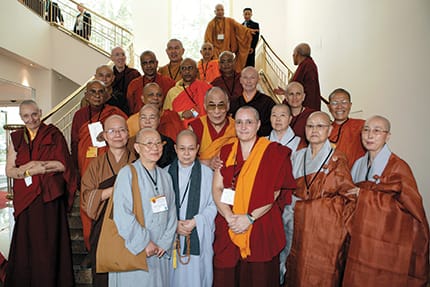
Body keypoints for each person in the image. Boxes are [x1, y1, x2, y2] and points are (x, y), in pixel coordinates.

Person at [212, 106, 296, 287]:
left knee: (258, 277)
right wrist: (229, 217)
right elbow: (217, 188)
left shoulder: (273, 152)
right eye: (239, 122)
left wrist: (249, 218)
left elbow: (274, 192)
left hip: (260, 223)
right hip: (229, 223)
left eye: (249, 122)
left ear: (258, 125)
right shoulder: (226, 151)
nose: (243, 127)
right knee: (226, 275)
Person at [344, 116, 429, 286]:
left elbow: (410, 208)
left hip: (385, 240)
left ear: (387, 136)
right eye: (366, 130)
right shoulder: (358, 164)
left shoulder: (398, 167)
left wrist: (365, 196)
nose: (369, 135)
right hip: (360, 236)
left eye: (377, 131)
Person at [5, 100, 77, 287]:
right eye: (26, 116)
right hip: (26, 200)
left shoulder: (53, 134)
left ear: (41, 112)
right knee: (26, 246)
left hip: (48, 198)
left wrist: (40, 167)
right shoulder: (16, 138)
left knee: (48, 245)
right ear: (21, 117)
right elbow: (9, 170)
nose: (31, 119)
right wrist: (26, 172)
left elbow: (64, 165)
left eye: (34, 114)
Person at [286, 111, 356, 287]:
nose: (314, 130)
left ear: (330, 130)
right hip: (294, 221)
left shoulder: (337, 159)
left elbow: (346, 196)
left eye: (320, 126)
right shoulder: (298, 155)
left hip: (323, 228)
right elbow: (288, 189)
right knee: (295, 266)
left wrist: (310, 208)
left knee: (319, 271)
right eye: (310, 126)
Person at [109, 128, 177, 286]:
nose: (155, 147)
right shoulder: (128, 173)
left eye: (158, 143)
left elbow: (172, 212)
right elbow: (122, 213)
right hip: (136, 249)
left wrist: (165, 242)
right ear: (137, 148)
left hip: (159, 250)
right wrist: (145, 242)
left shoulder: (165, 176)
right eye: (149, 144)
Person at [71, 80, 127, 252]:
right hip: (88, 167)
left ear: (107, 95)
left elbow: (124, 137)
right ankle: (92, 248)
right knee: (89, 210)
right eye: (93, 92)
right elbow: (75, 143)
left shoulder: (115, 113)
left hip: (110, 167)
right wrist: (77, 172)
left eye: (100, 92)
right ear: (86, 95)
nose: (97, 95)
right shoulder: (80, 115)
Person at [81, 115, 137, 287]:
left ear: (128, 134)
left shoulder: (138, 162)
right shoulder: (96, 164)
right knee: (105, 275)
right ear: (104, 136)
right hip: (104, 227)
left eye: (121, 130)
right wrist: (112, 191)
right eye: (112, 131)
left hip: (133, 227)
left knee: (132, 273)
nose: (117, 135)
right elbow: (86, 197)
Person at [167, 130, 217, 287]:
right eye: (182, 149)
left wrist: (196, 221)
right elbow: (156, 207)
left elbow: (214, 204)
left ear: (197, 148)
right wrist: (174, 224)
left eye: (191, 148)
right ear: (175, 149)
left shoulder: (208, 174)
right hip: (171, 237)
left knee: (196, 278)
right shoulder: (164, 173)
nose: (186, 153)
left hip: (197, 234)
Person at [189, 87, 236, 170]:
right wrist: (208, 163)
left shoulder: (237, 128)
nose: (217, 111)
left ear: (228, 106)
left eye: (221, 105)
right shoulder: (195, 128)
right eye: (211, 106)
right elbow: (184, 159)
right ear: (205, 107)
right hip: (202, 177)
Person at [163, 58, 212, 127]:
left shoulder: (207, 88)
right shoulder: (172, 92)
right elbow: (166, 115)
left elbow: (215, 108)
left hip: (206, 127)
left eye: (190, 68)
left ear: (197, 71)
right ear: (180, 72)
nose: (187, 71)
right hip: (181, 131)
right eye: (183, 68)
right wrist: (181, 114)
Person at [204, 4, 254, 72]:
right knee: (216, 70)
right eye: (218, 10)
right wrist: (210, 51)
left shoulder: (230, 21)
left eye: (222, 10)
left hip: (227, 50)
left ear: (224, 11)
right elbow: (208, 39)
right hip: (215, 52)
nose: (220, 11)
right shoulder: (211, 24)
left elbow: (240, 27)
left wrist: (248, 31)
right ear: (215, 12)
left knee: (229, 69)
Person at [229, 66, 275, 136]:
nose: (248, 81)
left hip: (261, 142)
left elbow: (272, 126)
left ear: (258, 80)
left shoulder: (268, 102)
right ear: (240, 80)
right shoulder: (233, 103)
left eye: (252, 78)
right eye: (245, 78)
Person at [128, 104, 176, 168]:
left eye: (152, 118)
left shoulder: (167, 143)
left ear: (159, 120)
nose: (147, 122)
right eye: (143, 118)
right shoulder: (130, 143)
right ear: (139, 120)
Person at [327, 88, 365, 168]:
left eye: (344, 102)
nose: (339, 107)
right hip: (333, 176)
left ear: (350, 105)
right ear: (329, 107)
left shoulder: (362, 126)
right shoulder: (325, 130)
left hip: (358, 176)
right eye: (334, 103)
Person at [290, 43, 321, 110]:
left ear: (297, 54)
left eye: (293, 54)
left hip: (307, 107)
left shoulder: (308, 66)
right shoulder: (306, 65)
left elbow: (308, 90)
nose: (292, 56)